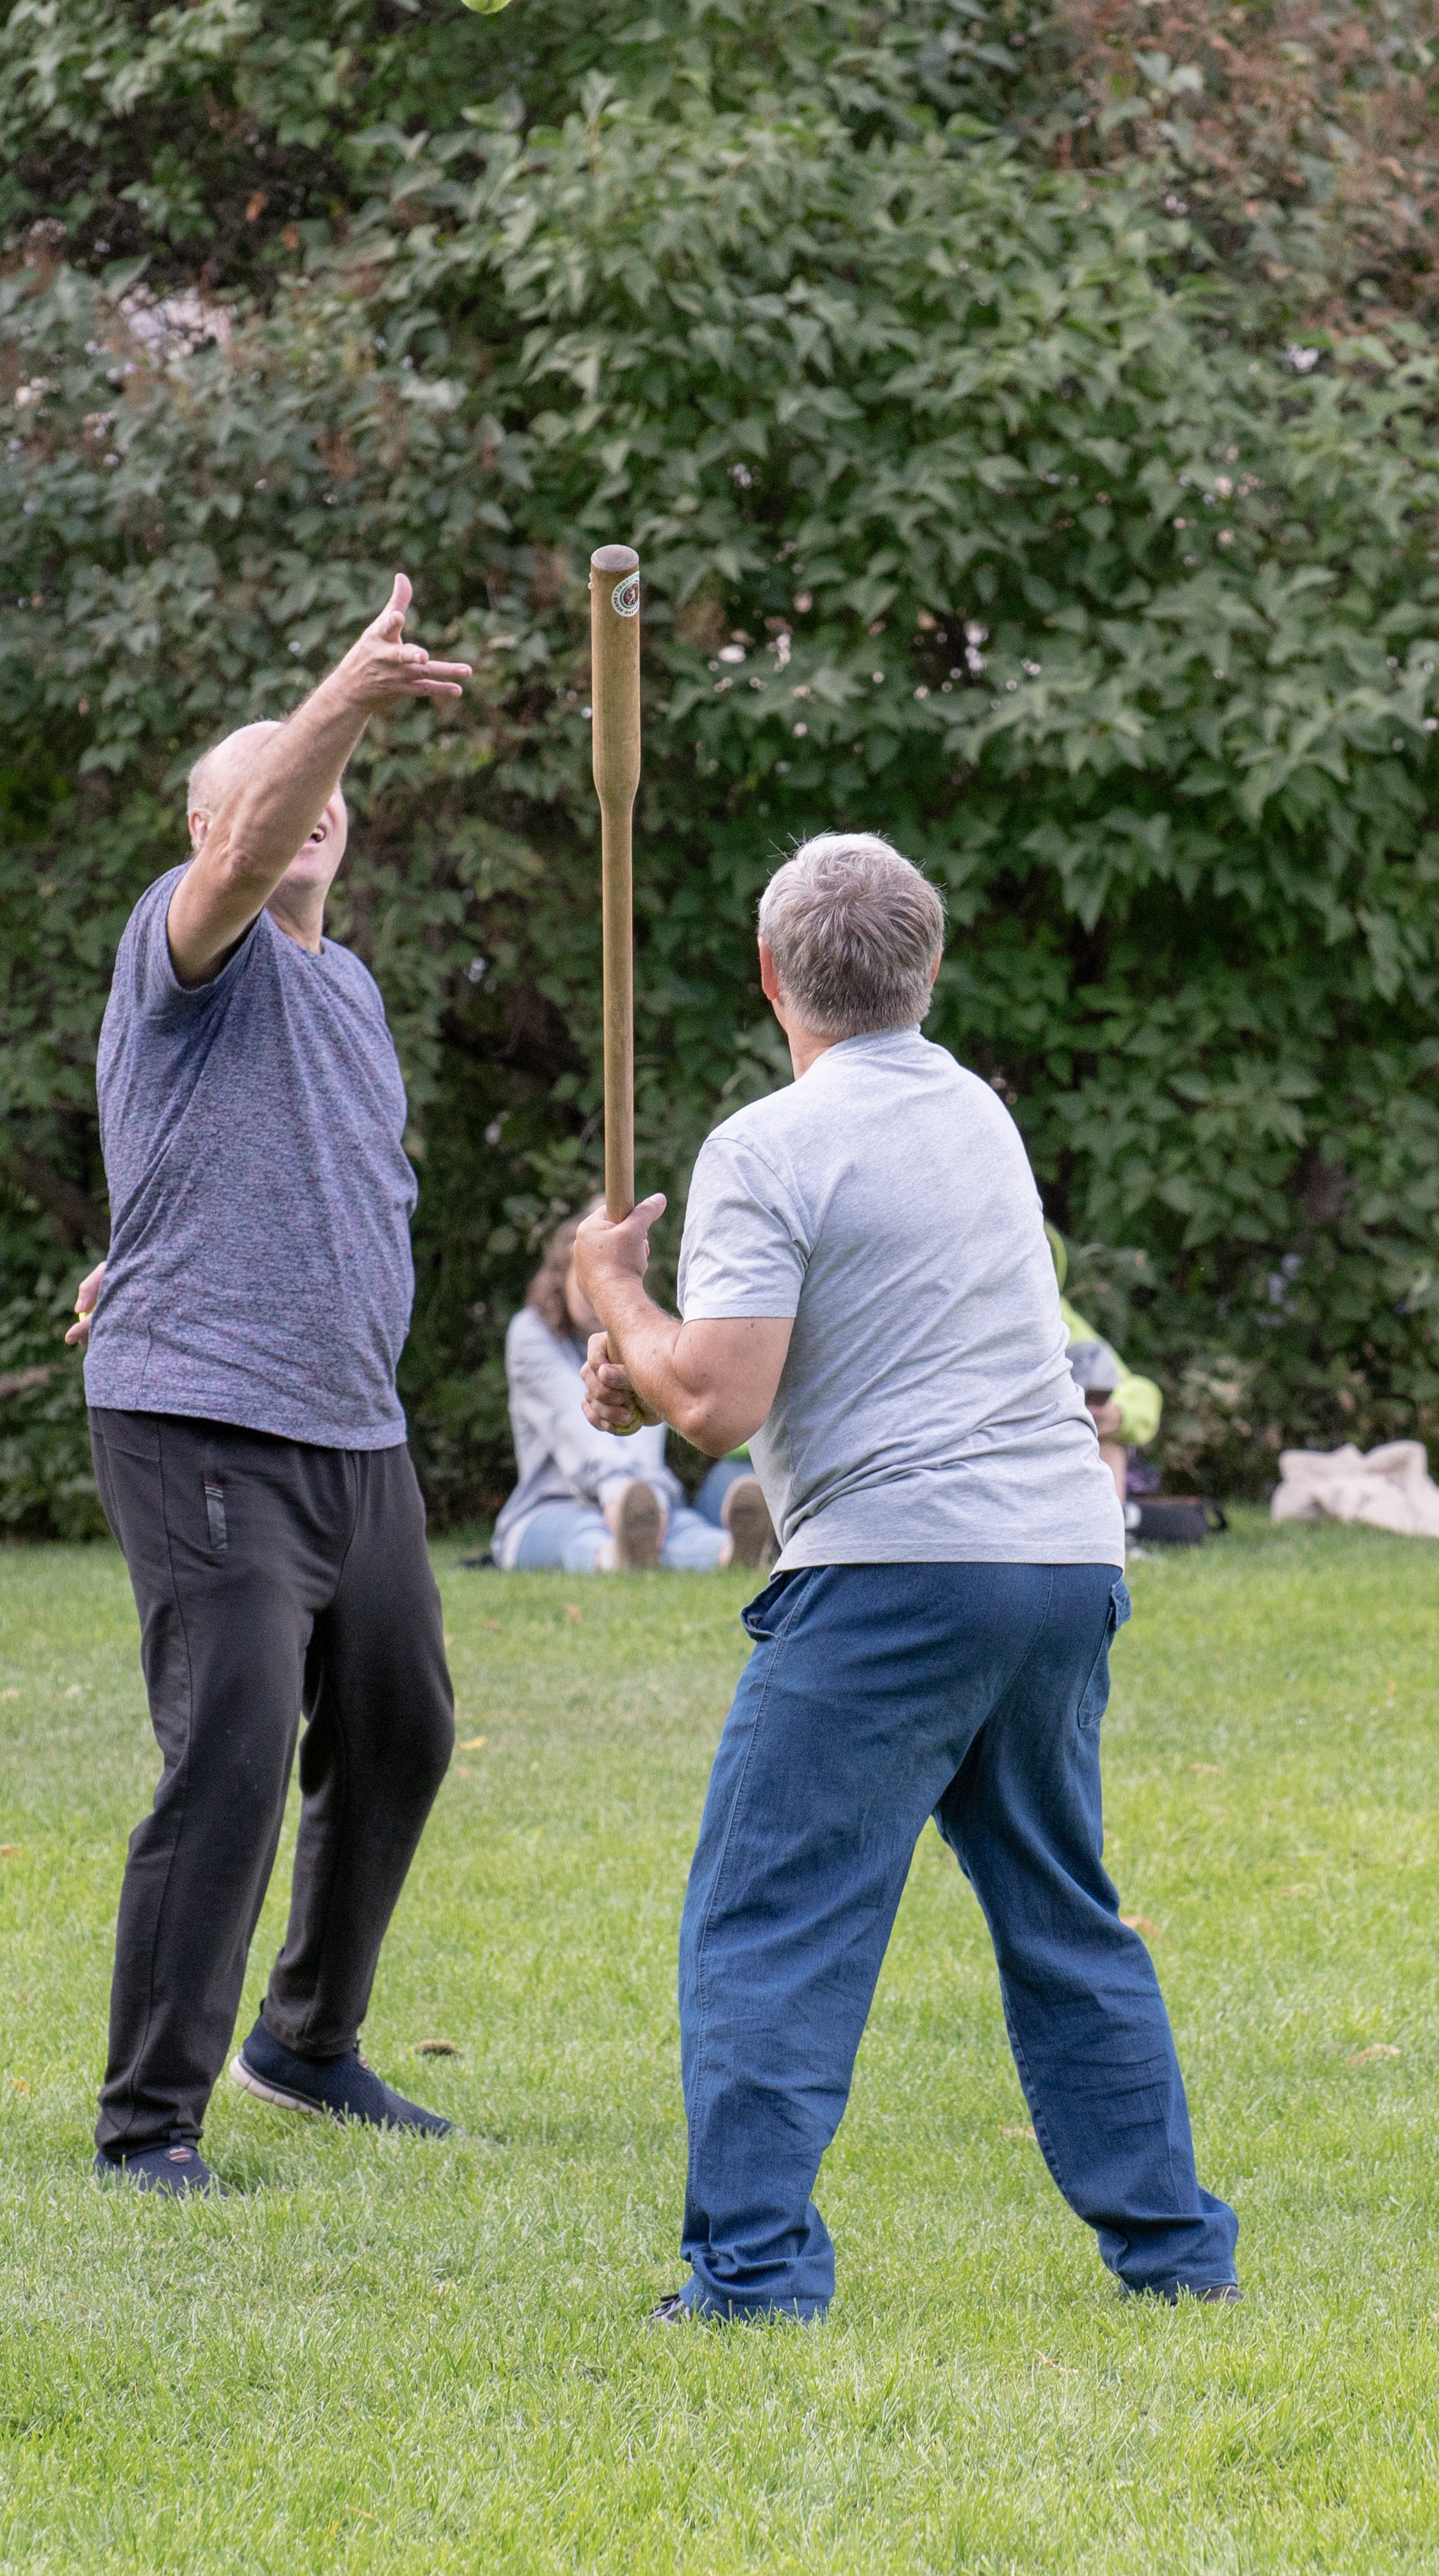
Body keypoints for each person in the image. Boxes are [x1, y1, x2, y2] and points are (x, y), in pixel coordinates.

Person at [576, 832, 1239, 2320]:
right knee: (1062, 1913)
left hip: (895, 1574)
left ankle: (747, 2281)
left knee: (766, 1920)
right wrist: (654, 1370)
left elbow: (727, 1403)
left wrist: (610, 1292)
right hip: (1059, 1563)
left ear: (769, 977)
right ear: (925, 972)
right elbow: (747, 1369)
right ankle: (1177, 2260)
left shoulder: (766, 1145)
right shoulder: (978, 1120)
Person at [65, 574, 472, 2193]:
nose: (300, 817)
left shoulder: (350, 988)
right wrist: (341, 700)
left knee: (400, 1727)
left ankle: (305, 2037)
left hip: (350, 1430)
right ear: (203, 821)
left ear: (348, 831)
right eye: (264, 794)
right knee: (232, 1742)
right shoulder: (190, 943)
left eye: (322, 800)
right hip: (200, 1412)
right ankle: (146, 2121)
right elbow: (245, 848)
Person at [491, 1212, 775, 1572]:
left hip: (643, 1497)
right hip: (552, 1505)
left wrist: (649, 1499)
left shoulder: (641, 1335)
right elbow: (572, 1426)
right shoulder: (531, 1333)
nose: (599, 1296)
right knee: (579, 1533)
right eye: (590, 1280)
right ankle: (617, 1556)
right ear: (564, 1274)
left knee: (680, 1527)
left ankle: (732, 1551)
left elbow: (646, 1429)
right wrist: (621, 1495)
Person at [1048, 1225, 1163, 1511]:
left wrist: (1117, 1414)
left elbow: (1139, 1392)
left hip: (1053, 1455)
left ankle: (1108, 1536)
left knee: (1102, 1431)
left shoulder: (1061, 1324)